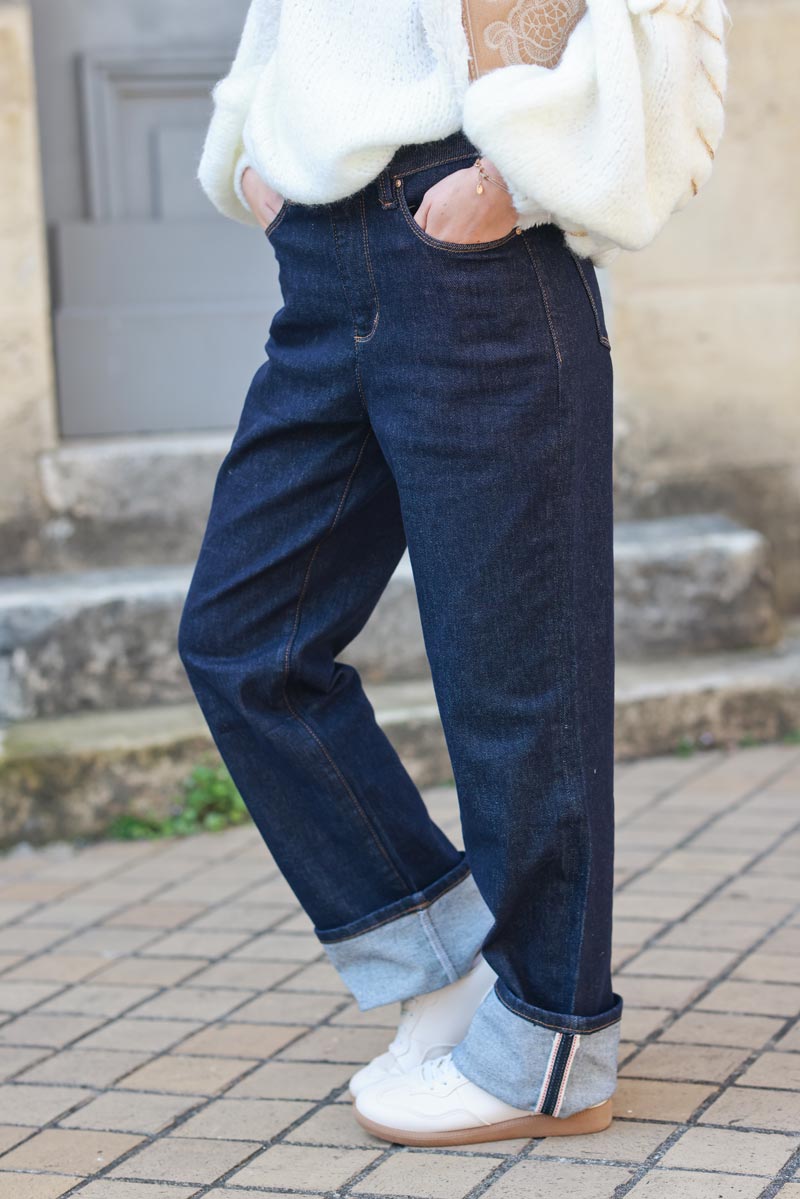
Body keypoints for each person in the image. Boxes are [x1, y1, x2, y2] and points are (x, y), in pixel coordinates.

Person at [179, 0, 729, 1147]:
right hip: (323, 254)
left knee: (514, 680)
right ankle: (443, 973)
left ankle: (548, 1044)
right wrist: (258, 160)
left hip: (473, 250)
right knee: (244, 642)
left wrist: (516, 180)